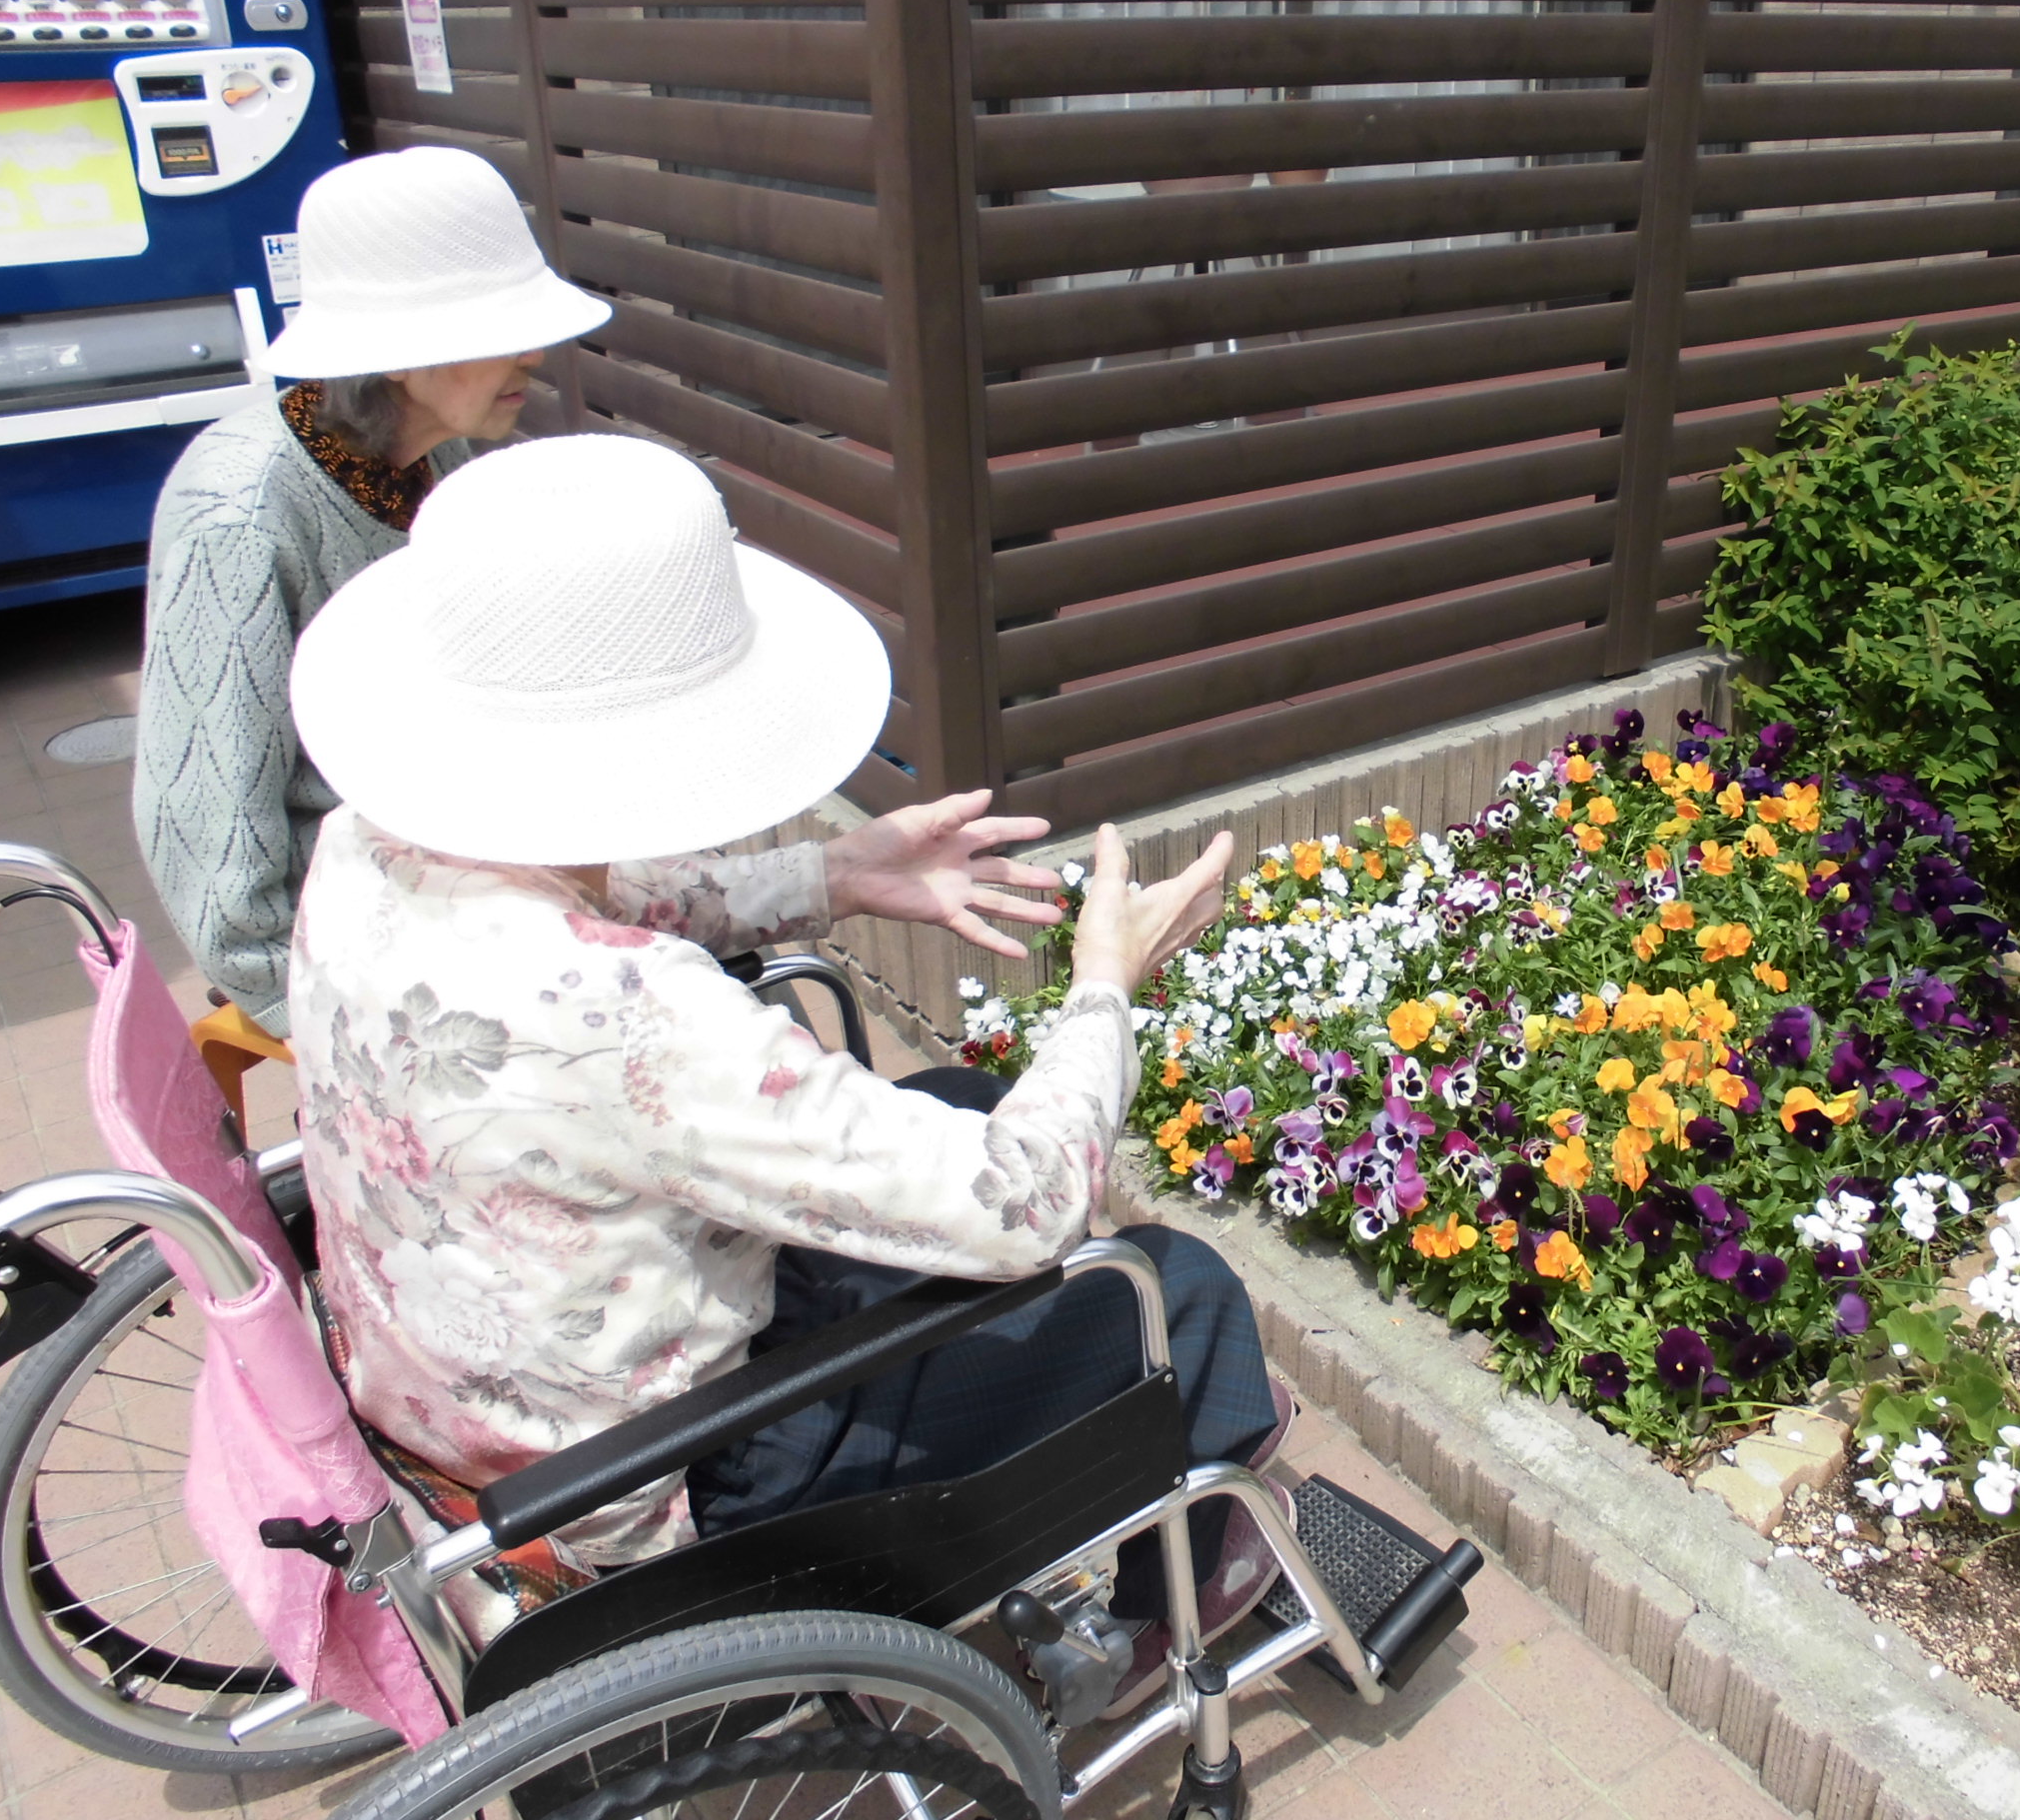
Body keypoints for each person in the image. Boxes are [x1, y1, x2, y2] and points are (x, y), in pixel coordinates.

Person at [283, 432, 1286, 1703]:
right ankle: (1168, 1612)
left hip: (472, 1390)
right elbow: (1028, 1202)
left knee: (959, 1102)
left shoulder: (367, 848)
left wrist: (836, 875)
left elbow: (594, 892)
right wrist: (1105, 986)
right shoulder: (635, 1014)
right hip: (658, 1486)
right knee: (1173, 1288)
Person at [133, 145, 611, 1038]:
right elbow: (205, 820)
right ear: (397, 354)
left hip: (465, 863)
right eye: (500, 331)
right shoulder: (241, 513)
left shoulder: (441, 451)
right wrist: (323, 1018)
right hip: (360, 943)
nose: (536, 353)